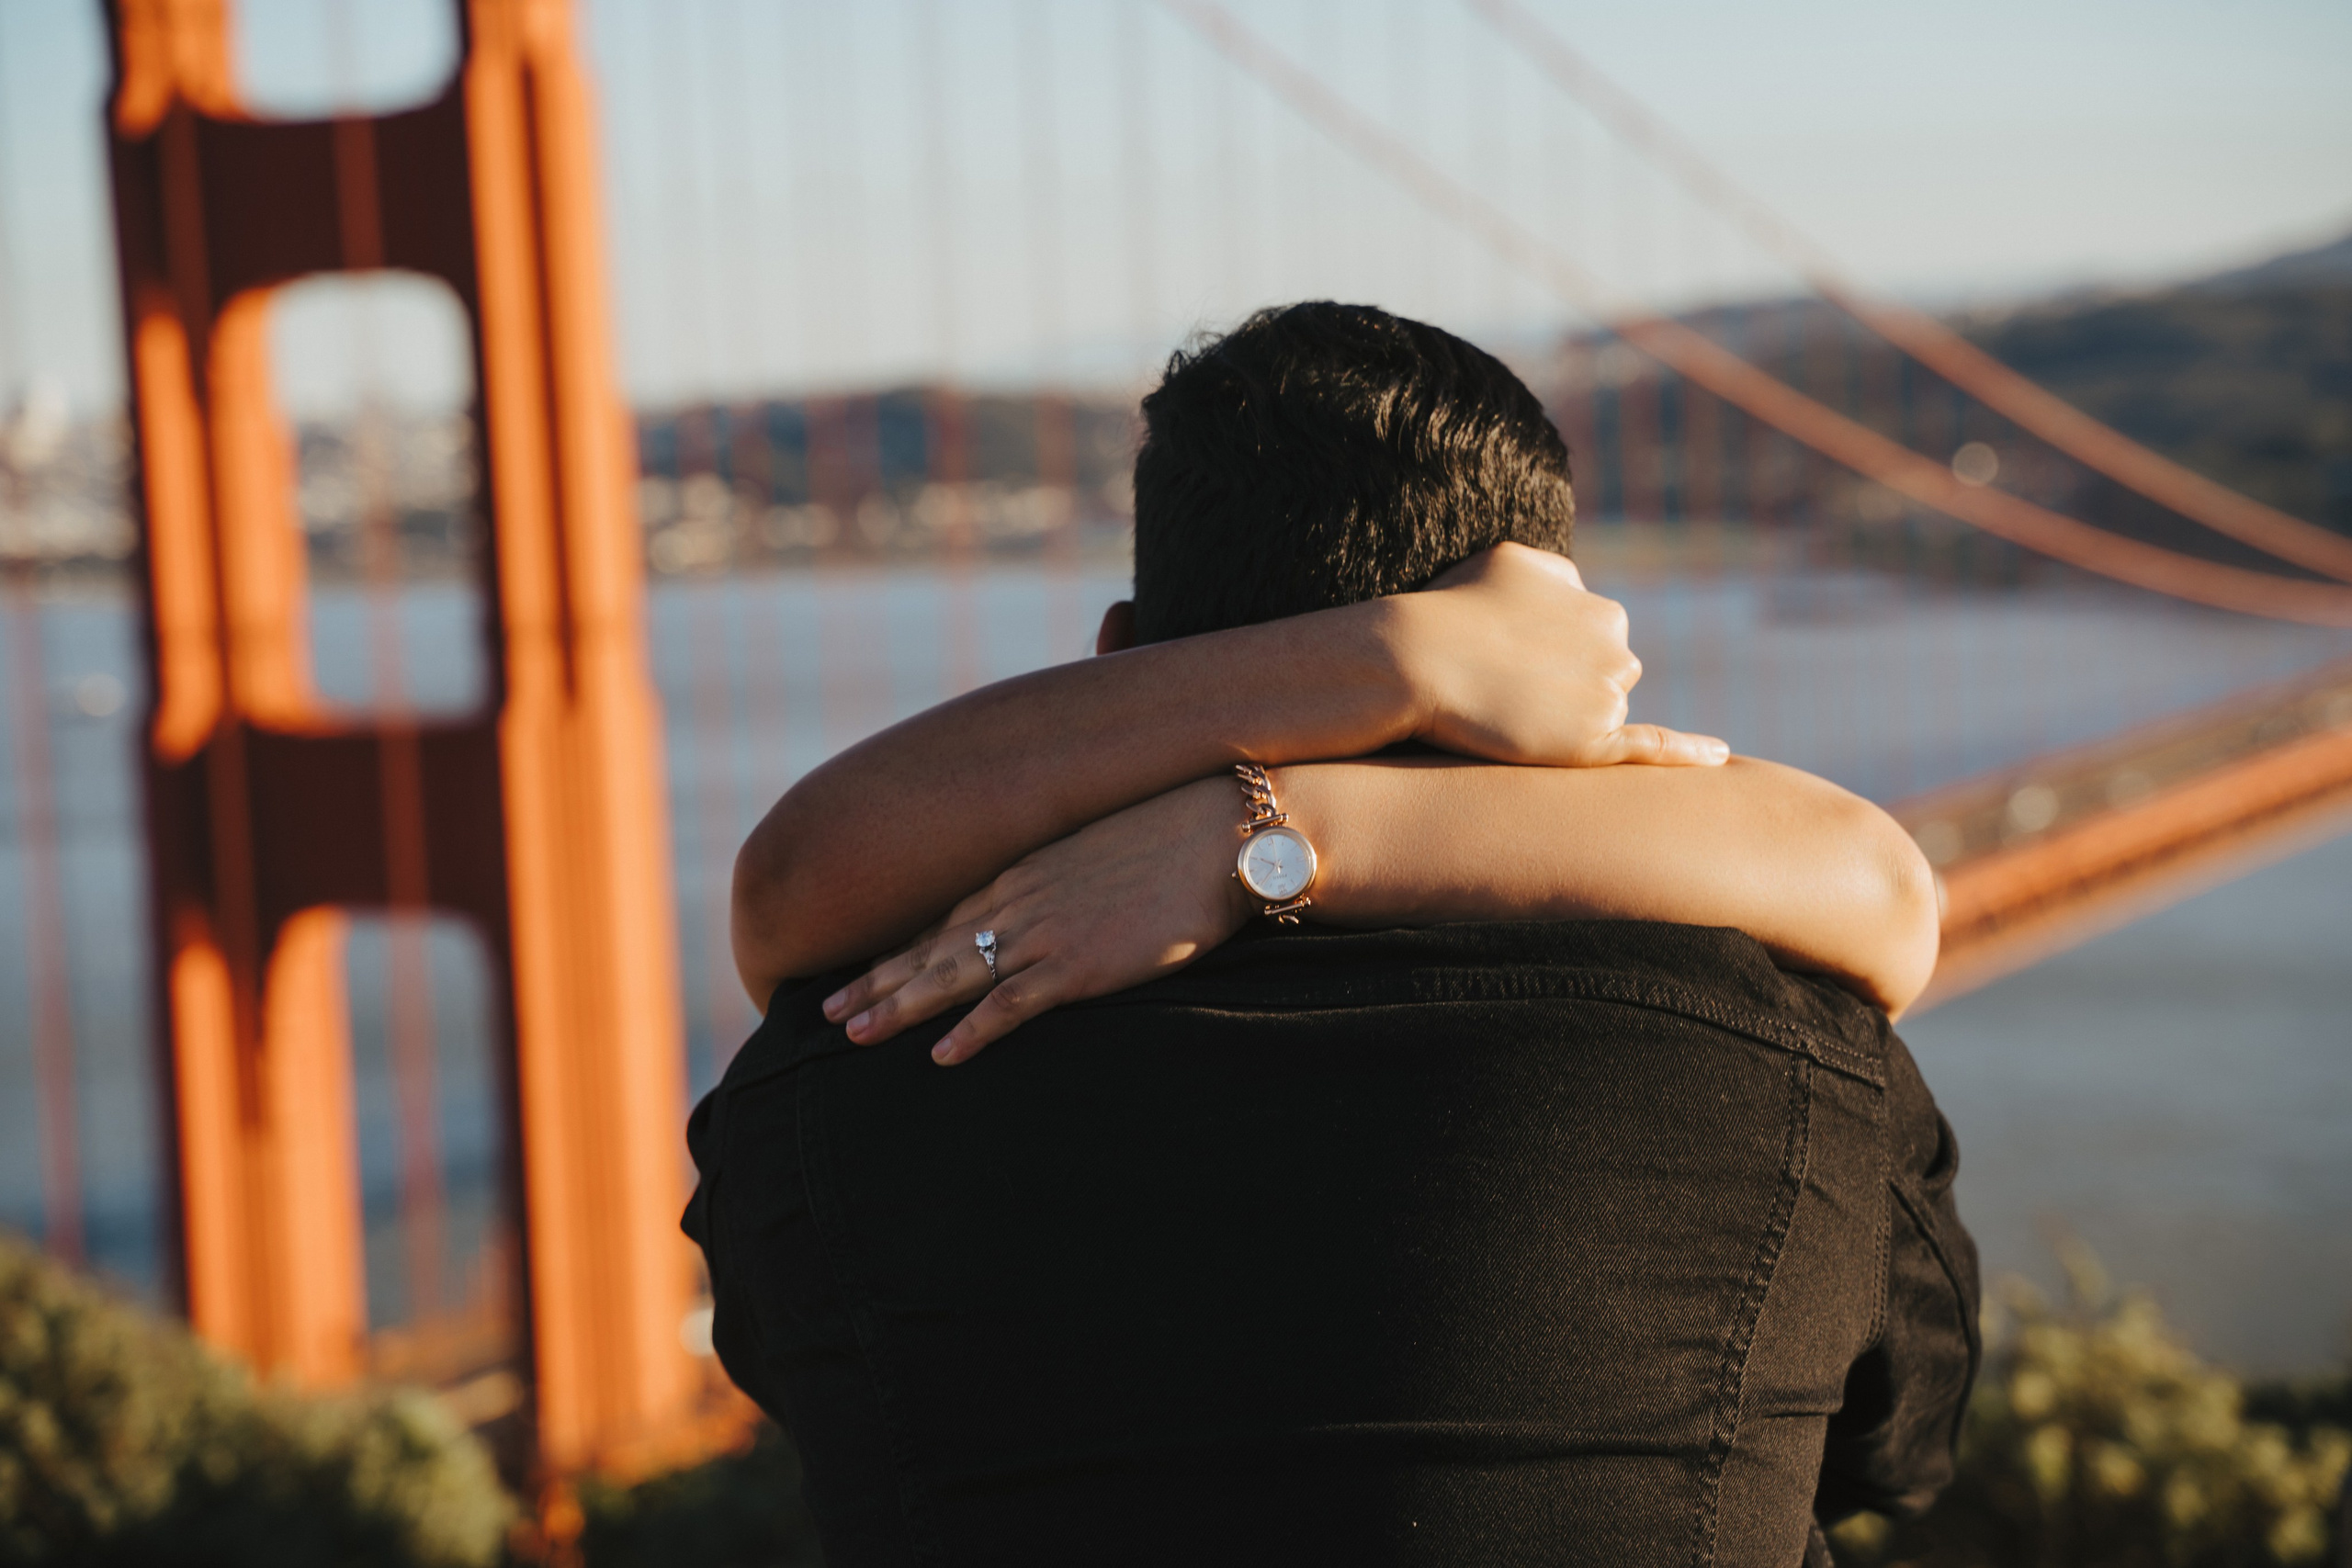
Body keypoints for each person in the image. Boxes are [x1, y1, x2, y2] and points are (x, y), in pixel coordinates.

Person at [690, 303, 1978, 1565]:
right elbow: (1900, 1447)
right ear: (1559, 712)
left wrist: (1252, 822)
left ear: (1120, 659)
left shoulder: (852, 1055)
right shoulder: (1799, 1060)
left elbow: (794, 1372)